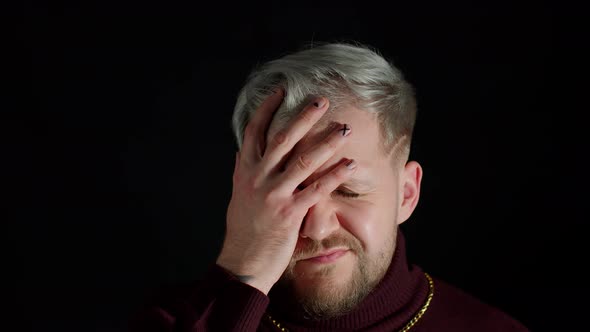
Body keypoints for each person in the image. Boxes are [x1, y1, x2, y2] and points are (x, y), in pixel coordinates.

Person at [130, 42, 529, 331]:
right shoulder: (176, 320)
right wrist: (242, 273)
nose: (317, 227)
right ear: (245, 192)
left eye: (349, 191)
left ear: (406, 194)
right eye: (289, 189)